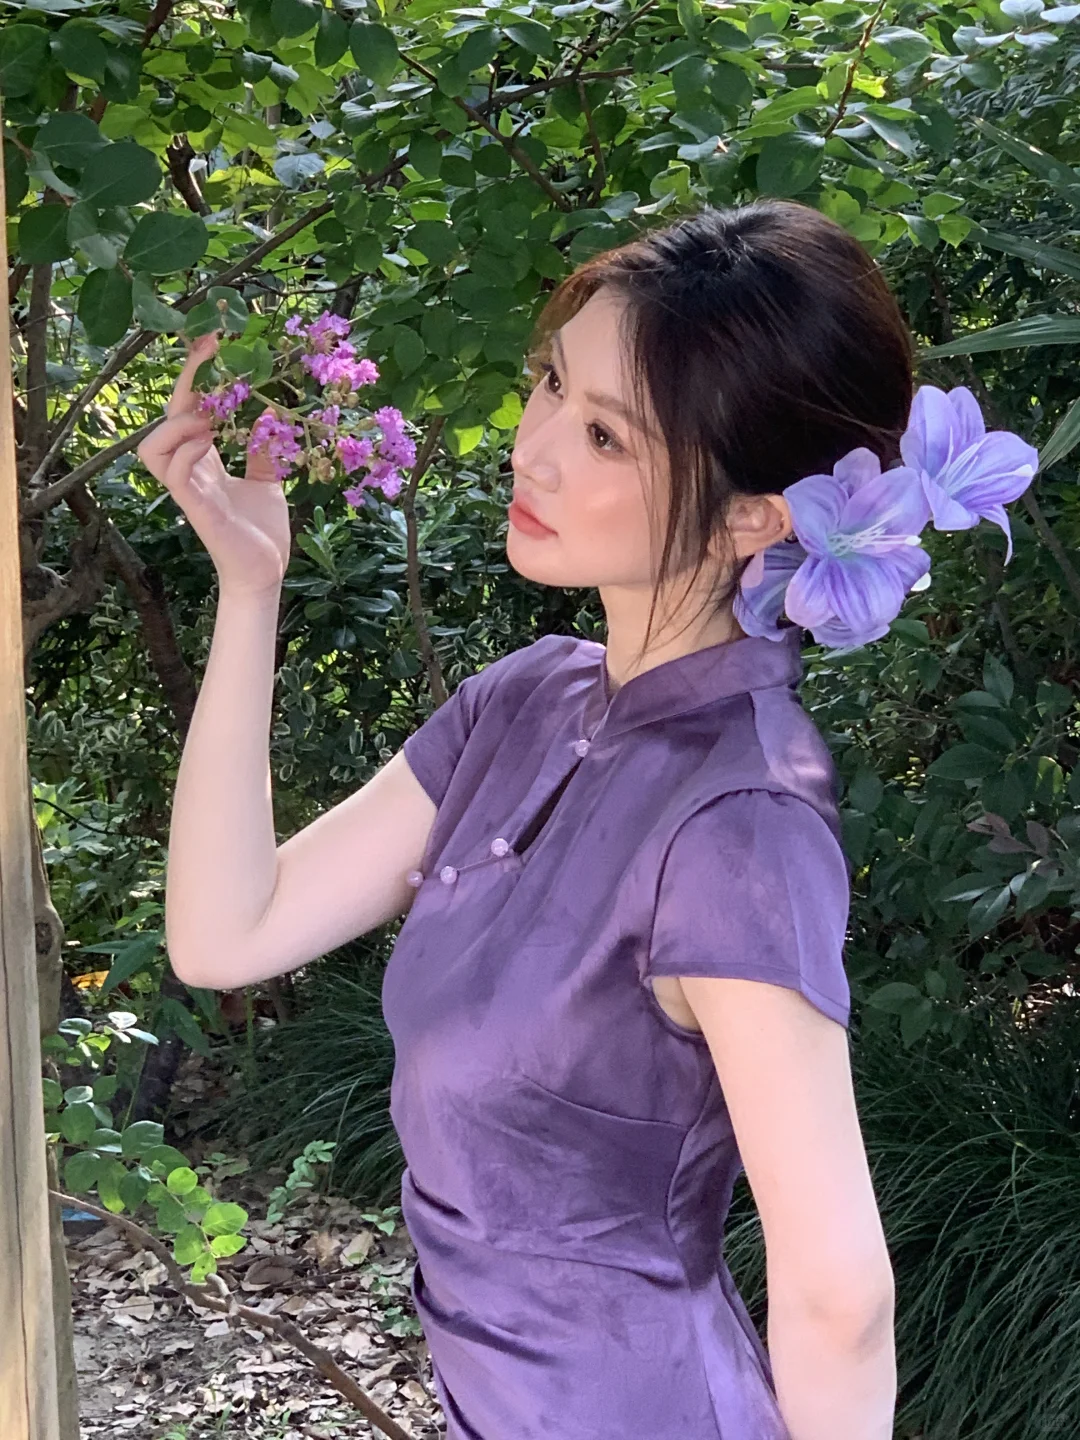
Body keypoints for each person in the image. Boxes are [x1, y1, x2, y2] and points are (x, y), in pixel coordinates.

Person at [139, 199, 925, 1440]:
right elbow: (226, 935)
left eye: (606, 434)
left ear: (753, 515)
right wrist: (252, 589)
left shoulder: (740, 820)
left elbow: (840, 1300)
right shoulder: (525, 703)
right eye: (552, 384)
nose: (536, 450)